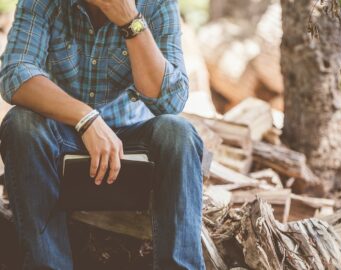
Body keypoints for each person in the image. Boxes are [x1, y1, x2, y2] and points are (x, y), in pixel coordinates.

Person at [0, 0, 205, 269]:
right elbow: (15, 74)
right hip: (61, 138)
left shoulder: (158, 4)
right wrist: (85, 118)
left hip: (131, 145)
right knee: (21, 122)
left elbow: (170, 102)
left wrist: (130, 22)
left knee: (179, 133)